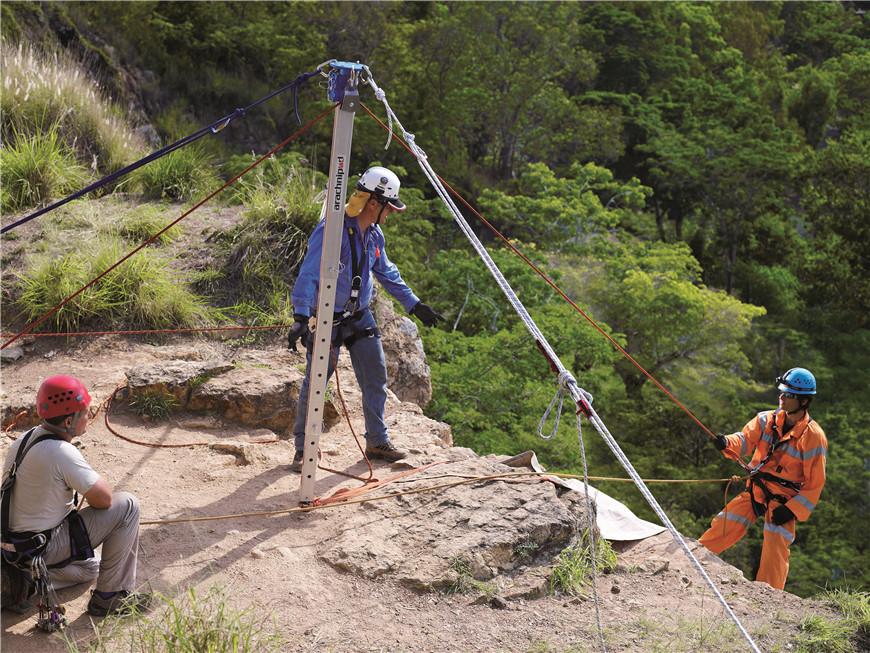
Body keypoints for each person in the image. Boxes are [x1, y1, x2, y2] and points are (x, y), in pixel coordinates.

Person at [287, 166, 444, 471]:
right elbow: (309, 273)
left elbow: (386, 272)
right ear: (374, 202)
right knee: (316, 383)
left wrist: (415, 305)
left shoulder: (374, 233)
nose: (392, 213)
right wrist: (301, 316)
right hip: (328, 319)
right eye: (390, 206)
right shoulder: (331, 231)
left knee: (376, 377)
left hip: (359, 317)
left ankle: (376, 440)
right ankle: (303, 447)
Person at [1, 375, 150, 616]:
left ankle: (24, 578)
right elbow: (105, 500)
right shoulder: (61, 452)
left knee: (92, 568)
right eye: (85, 412)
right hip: (42, 545)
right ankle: (109, 597)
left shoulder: (24, 439)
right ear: (69, 420)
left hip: (14, 546)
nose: (90, 417)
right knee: (129, 505)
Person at [699, 367, 827, 590]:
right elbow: (744, 440)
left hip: (784, 501)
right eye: (782, 392)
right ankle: (691, 562)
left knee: (775, 550)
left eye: (789, 395)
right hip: (756, 489)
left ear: (804, 402)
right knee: (725, 524)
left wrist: (792, 510)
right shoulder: (765, 420)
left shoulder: (813, 437)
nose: (782, 397)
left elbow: (815, 483)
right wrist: (727, 443)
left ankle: (769, 596)